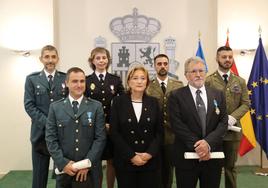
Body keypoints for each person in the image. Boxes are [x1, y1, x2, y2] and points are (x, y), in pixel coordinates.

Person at [168, 57, 228, 188]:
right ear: (186, 75)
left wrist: (207, 144)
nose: (198, 74)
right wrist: (199, 148)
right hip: (186, 157)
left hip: (212, 157)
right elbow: (177, 125)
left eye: (201, 70)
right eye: (193, 71)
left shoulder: (218, 94)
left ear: (206, 72)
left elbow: (223, 122)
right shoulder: (175, 96)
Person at [46, 67, 106, 188]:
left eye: (82, 81)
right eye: (74, 81)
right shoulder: (55, 108)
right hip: (65, 171)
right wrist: (63, 163)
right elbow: (50, 139)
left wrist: (86, 164)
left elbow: (100, 139)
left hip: (89, 171)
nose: (79, 85)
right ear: (66, 83)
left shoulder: (96, 107)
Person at [110, 65, 163, 188]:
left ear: (147, 82)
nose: (139, 81)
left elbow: (159, 133)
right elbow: (114, 132)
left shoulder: (154, 102)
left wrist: (149, 154)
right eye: (135, 78)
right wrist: (132, 156)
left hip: (149, 161)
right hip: (126, 161)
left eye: (143, 78)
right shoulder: (118, 102)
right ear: (128, 81)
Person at [205, 46, 250, 188]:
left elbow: (245, 104)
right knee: (214, 168)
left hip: (233, 132)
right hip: (214, 133)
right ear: (217, 58)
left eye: (230, 57)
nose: (227, 60)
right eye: (224, 57)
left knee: (231, 168)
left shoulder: (240, 81)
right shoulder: (208, 81)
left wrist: (232, 118)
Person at [24, 45, 67, 188]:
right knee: (39, 175)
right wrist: (48, 122)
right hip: (40, 135)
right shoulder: (32, 79)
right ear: (41, 59)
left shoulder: (65, 78)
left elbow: (69, 104)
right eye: (47, 57)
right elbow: (29, 105)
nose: (50, 60)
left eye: (53, 57)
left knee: (61, 174)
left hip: (61, 134)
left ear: (58, 59)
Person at [85, 47, 124, 188]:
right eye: (98, 58)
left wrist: (113, 124)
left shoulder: (115, 80)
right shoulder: (87, 80)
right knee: (96, 161)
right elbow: (85, 105)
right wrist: (99, 124)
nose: (101, 61)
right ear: (92, 61)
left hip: (112, 127)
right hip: (93, 127)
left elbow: (122, 103)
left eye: (104, 58)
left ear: (108, 60)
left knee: (112, 161)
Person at [146, 54, 183, 188]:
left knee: (168, 169)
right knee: (154, 168)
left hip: (172, 135)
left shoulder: (178, 85)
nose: (162, 66)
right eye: (159, 64)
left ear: (169, 65)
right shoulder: (148, 85)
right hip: (153, 134)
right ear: (154, 66)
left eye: (165, 63)